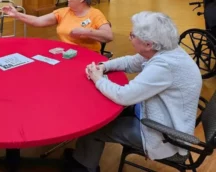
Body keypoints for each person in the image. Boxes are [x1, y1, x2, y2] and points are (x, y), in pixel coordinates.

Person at [64, 11, 202, 172]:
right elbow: (131, 61)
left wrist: (98, 79)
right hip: (161, 115)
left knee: (95, 128)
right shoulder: (165, 49)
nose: (130, 38)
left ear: (149, 44)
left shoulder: (164, 67)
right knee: (104, 114)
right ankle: (83, 157)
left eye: (132, 35)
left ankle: (84, 166)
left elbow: (123, 96)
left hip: (162, 134)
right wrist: (104, 66)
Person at [2, 0, 112, 52]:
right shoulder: (63, 12)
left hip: (89, 60)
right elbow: (38, 21)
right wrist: (17, 14)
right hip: (66, 55)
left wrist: (85, 32)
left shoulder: (95, 14)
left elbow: (108, 36)